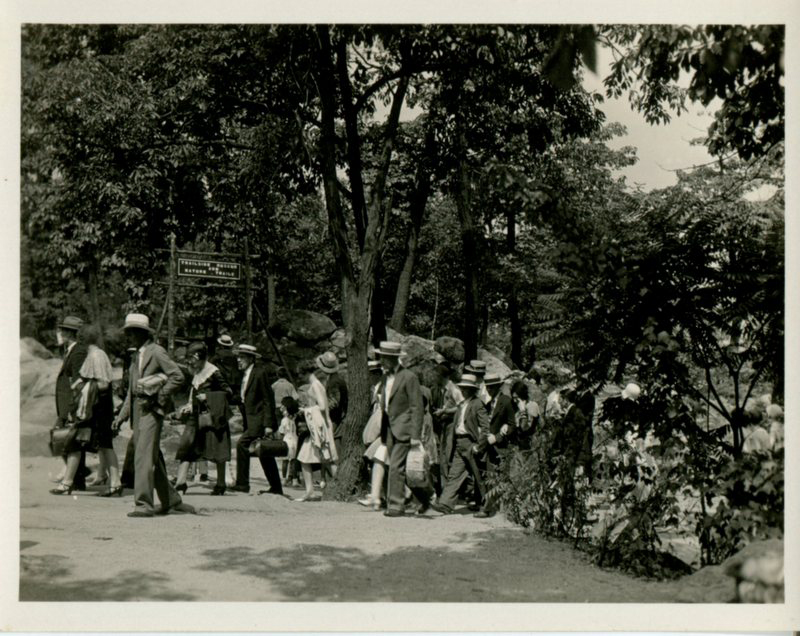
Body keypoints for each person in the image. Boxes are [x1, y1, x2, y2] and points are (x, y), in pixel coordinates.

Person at [112, 313, 189, 517]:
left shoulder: (156, 352)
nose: (129, 337)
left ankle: (143, 504)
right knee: (151, 456)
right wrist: (121, 416)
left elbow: (178, 376)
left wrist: (159, 395)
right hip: (138, 412)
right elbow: (131, 391)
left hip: (151, 411)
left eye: (131, 333)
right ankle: (171, 499)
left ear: (141, 333)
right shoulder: (136, 356)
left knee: (143, 458)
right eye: (128, 333)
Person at [376, 341, 431, 517]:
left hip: (405, 428)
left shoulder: (409, 377)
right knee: (403, 468)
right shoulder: (385, 377)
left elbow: (417, 407)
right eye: (381, 357)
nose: (382, 361)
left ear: (394, 359)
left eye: (385, 358)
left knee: (395, 466)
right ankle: (427, 496)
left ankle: (396, 505)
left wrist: (415, 434)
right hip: (390, 428)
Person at [174, 342, 234, 495]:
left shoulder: (214, 372)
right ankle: (181, 482)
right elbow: (193, 392)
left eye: (190, 359)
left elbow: (228, 392)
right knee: (187, 447)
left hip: (212, 418)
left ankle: (220, 484)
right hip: (195, 416)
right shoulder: (197, 372)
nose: (189, 362)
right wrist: (189, 404)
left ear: (198, 357)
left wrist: (207, 396)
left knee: (218, 450)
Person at [432, 374, 489, 515]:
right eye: (462, 388)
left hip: (470, 443)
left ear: (472, 390)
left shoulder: (477, 404)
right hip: (459, 442)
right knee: (454, 473)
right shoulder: (462, 404)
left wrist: (479, 446)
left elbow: (485, 427)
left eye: (466, 388)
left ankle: (486, 507)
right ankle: (446, 504)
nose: (463, 391)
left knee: (478, 477)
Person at [231, 344, 283, 495]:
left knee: (242, 445)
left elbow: (268, 399)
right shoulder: (245, 375)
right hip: (251, 420)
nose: (238, 360)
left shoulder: (259, 373)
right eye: (238, 357)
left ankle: (242, 484)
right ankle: (276, 487)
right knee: (265, 453)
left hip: (259, 420)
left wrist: (268, 424)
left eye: (242, 357)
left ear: (250, 358)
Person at [50, 316, 90, 493]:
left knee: (65, 440)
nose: (60, 333)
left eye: (63, 330)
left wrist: (73, 406)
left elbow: (78, 379)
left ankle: (73, 479)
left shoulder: (79, 351)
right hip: (65, 403)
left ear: (69, 333)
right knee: (62, 439)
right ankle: (77, 478)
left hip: (71, 403)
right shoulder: (69, 350)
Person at [294, 356, 339, 501]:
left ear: (306, 373)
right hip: (317, 428)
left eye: (301, 375)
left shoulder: (315, 385)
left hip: (320, 428)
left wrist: (306, 410)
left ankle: (340, 486)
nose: (301, 378)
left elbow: (322, 406)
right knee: (305, 458)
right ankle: (310, 491)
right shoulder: (317, 384)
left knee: (327, 459)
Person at [471, 373, 515, 517]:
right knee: (490, 476)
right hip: (489, 446)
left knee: (499, 477)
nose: (489, 390)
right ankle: (487, 506)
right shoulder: (489, 404)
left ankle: (491, 508)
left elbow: (512, 425)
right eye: (488, 387)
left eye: (492, 387)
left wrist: (497, 438)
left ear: (498, 387)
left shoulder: (506, 401)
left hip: (501, 446)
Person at [359, 360, 388, 510]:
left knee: (378, 457)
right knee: (379, 460)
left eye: (372, 374)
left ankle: (378, 495)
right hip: (377, 425)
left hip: (381, 427)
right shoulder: (375, 387)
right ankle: (378, 494)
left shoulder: (382, 386)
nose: (369, 377)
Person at [509, 380, 540, 450]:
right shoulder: (517, 407)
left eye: (516, 398)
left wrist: (523, 410)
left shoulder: (532, 406)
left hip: (529, 445)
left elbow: (524, 428)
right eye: (513, 398)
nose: (514, 400)